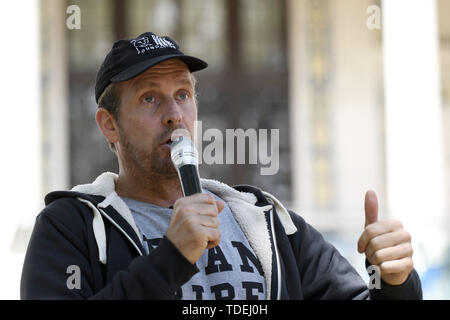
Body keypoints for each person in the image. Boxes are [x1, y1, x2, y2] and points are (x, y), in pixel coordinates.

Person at [20, 32, 422, 300]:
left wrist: (395, 282)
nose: (174, 114)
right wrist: (171, 259)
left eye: (182, 94)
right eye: (149, 99)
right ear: (110, 125)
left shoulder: (267, 221)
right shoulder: (69, 226)